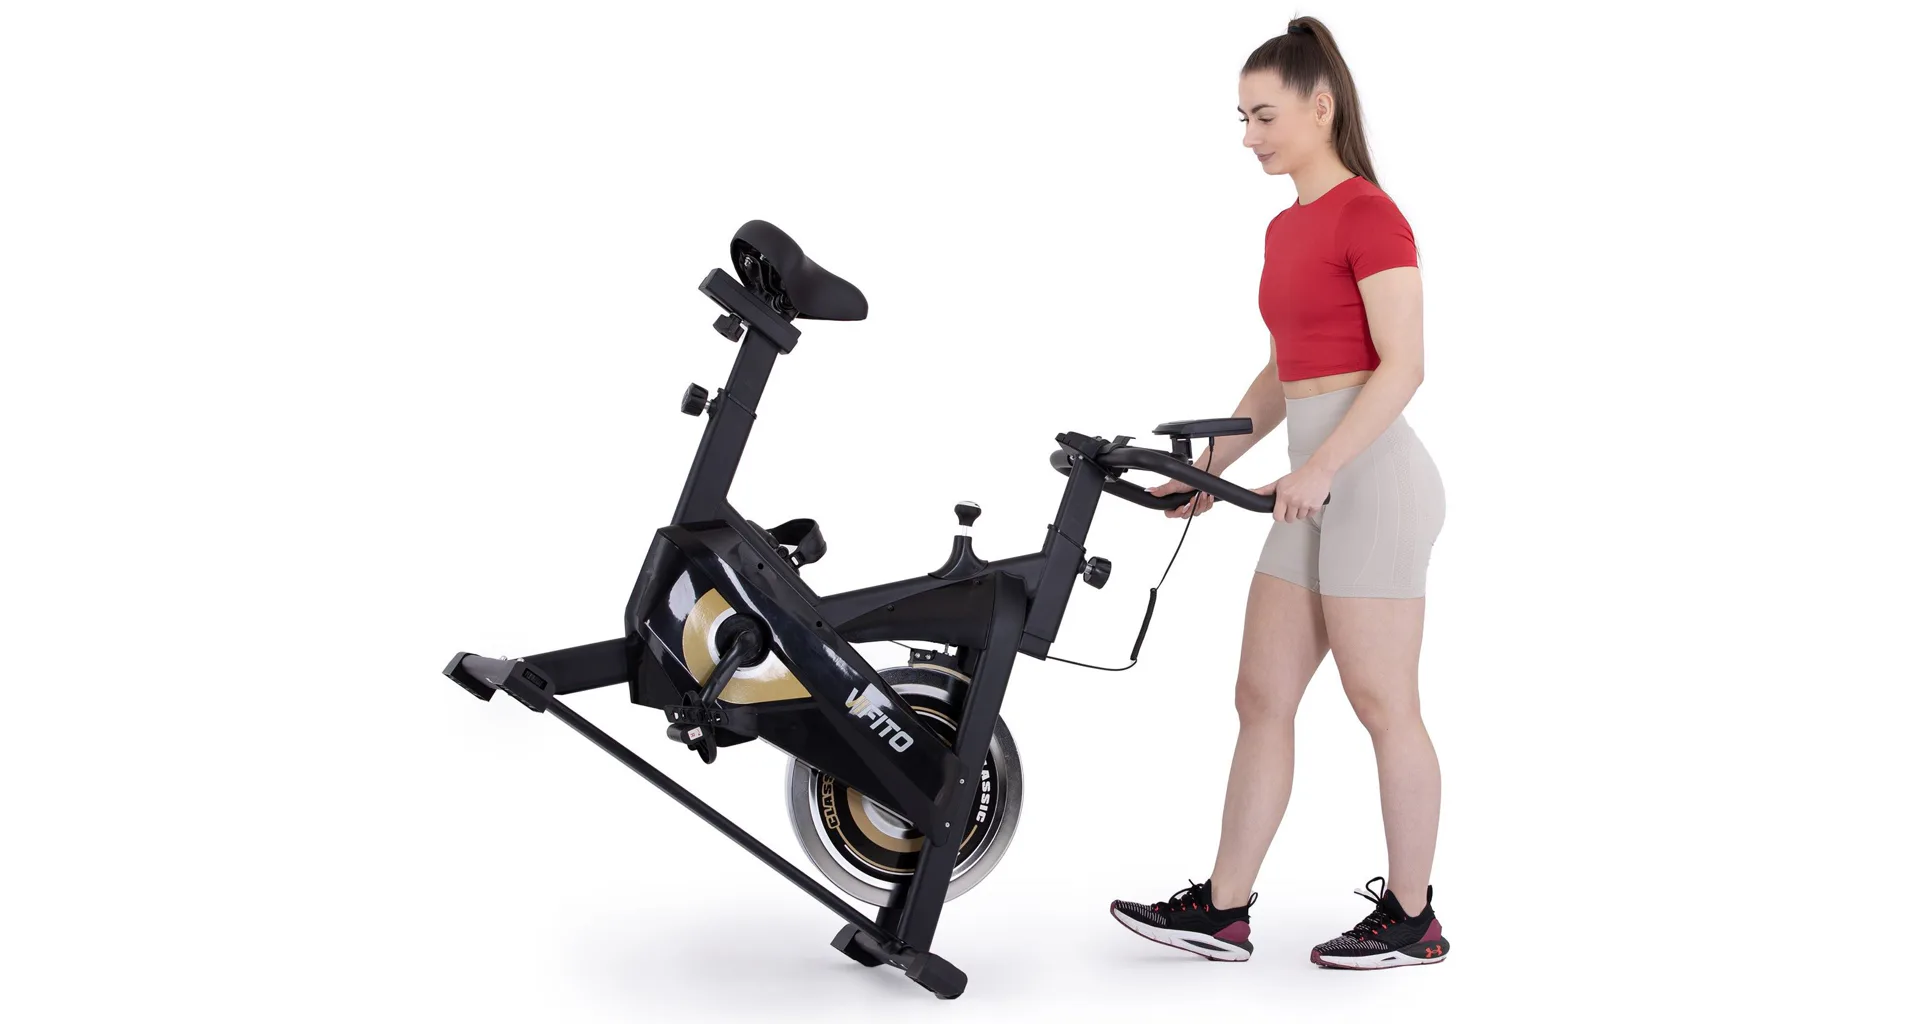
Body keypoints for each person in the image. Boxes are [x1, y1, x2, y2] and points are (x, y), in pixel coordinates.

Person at [1108, 16, 1450, 970]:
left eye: (1264, 116)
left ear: (1320, 107)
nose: (1249, 136)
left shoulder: (1370, 215)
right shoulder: (1287, 226)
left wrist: (1325, 464)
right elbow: (1284, 371)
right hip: (1312, 485)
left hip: (1373, 484)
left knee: (1382, 702)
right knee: (1261, 694)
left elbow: (1405, 364)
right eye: (1242, 118)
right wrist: (1212, 466)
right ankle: (1222, 911)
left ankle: (1413, 918)